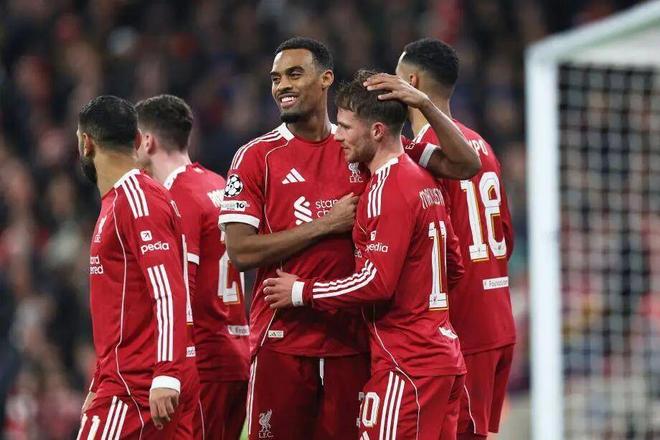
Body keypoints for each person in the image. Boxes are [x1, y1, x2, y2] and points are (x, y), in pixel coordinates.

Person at [219, 37, 479, 440]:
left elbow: (465, 164)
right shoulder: (256, 156)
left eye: (294, 74)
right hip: (283, 339)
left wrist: (425, 105)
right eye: (275, 78)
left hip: (354, 343)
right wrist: (324, 225)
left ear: (325, 79)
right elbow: (239, 252)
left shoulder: (364, 145)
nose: (282, 85)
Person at [367, 38, 517, 440]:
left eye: (396, 77)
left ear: (412, 83)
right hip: (498, 317)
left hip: (463, 323)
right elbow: (505, 236)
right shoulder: (481, 144)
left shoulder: (425, 153)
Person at [75, 95, 198, 439]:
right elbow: (121, 308)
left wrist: (166, 373)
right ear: (135, 139)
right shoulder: (122, 200)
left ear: (86, 143)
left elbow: (169, 291)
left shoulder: (136, 198)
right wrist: (98, 380)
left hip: (136, 386)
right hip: (131, 378)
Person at [135, 94, 249, 440]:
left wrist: (167, 370)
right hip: (237, 352)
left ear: (147, 141)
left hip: (204, 361)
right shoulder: (218, 184)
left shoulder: (175, 196)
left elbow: (181, 287)